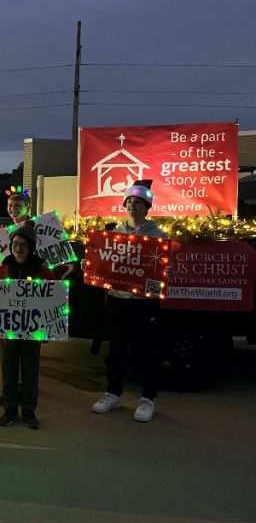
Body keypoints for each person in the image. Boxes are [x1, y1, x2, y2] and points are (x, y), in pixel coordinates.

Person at [91, 180, 168, 423]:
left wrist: (157, 284)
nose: (133, 205)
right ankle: (113, 393)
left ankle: (147, 399)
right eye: (130, 202)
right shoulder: (113, 235)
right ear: (125, 205)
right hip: (117, 300)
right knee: (115, 351)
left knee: (146, 351)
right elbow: (104, 266)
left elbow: (160, 274)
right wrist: (92, 268)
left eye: (139, 202)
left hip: (144, 304)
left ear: (147, 207)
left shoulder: (158, 237)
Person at [0, 225, 56, 430]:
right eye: (14, 244)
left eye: (22, 244)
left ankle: (29, 411)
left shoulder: (43, 272)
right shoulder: (2, 271)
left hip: (32, 333)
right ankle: (10, 409)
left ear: (31, 247)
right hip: (8, 333)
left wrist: (46, 329)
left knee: (30, 371)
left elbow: (51, 302)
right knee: (8, 370)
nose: (18, 248)